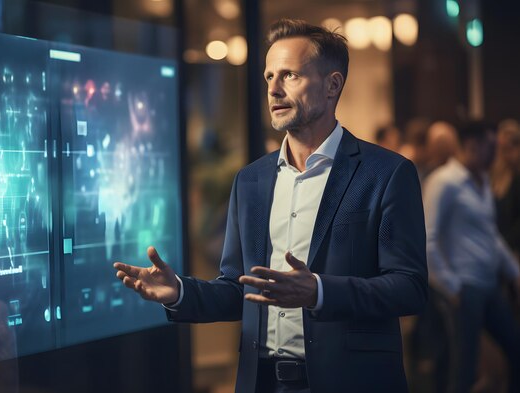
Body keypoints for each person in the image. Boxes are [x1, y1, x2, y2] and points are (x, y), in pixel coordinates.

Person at [114, 19, 428, 393]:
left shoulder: (386, 173)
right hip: (262, 382)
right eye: (268, 77)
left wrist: (319, 291)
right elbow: (239, 289)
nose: (274, 90)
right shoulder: (251, 180)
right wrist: (180, 292)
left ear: (332, 85)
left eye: (290, 75)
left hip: (351, 381)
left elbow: (409, 288)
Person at [423, 121, 520, 393]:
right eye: (491, 148)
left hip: (487, 283)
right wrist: (452, 288)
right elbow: (427, 240)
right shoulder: (444, 182)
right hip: (465, 287)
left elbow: (491, 235)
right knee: (463, 367)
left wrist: (514, 273)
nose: (495, 155)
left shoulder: (483, 179)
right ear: (472, 146)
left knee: (514, 349)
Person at [491, 118, 520, 258]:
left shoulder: (516, 177)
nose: (504, 154)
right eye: (501, 149)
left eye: (509, 148)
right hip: (498, 247)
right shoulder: (493, 175)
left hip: (512, 249)